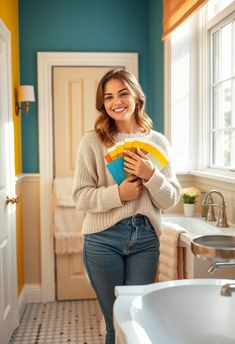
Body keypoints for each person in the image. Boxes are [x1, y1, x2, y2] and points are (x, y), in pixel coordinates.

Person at [72, 69, 180, 344]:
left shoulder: (158, 142)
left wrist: (151, 175)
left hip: (145, 239)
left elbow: (170, 200)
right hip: (102, 239)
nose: (116, 102)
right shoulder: (92, 142)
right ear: (103, 104)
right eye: (108, 97)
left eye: (123, 93)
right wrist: (118, 194)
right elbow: (81, 196)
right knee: (114, 324)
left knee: (135, 319)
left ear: (137, 97)